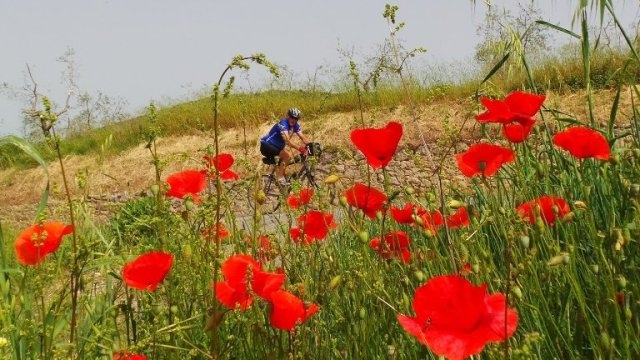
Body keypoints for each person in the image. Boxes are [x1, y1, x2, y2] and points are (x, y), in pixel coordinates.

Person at [260, 107, 310, 186]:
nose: (293, 120)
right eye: (292, 117)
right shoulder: (283, 123)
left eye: (296, 118)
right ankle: (280, 178)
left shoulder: (295, 125)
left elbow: (303, 137)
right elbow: (287, 141)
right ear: (288, 116)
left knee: (284, 171)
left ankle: (282, 187)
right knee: (287, 156)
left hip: (276, 147)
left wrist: (311, 146)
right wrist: (301, 149)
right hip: (267, 145)